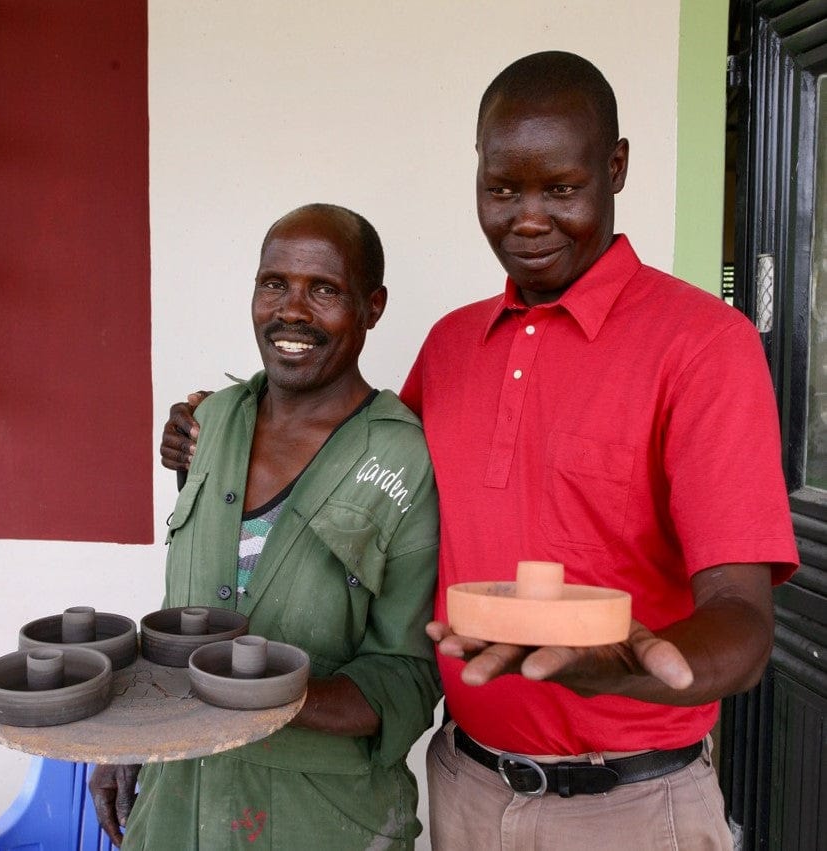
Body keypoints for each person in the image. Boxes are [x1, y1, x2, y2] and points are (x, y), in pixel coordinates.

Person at [162, 53, 798, 850]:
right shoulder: (454, 345)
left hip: (629, 807)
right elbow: (350, 471)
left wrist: (623, 664)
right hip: (462, 787)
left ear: (617, 167)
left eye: (560, 188)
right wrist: (208, 437)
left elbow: (742, 617)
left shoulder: (704, 345)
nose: (528, 218)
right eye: (502, 189)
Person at [93, 203, 441, 850]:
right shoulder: (211, 419)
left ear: (373, 305)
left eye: (325, 290)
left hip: (316, 821)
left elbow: (409, 678)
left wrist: (258, 692)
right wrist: (132, 731)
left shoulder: (406, 459)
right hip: (175, 813)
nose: (293, 311)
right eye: (274, 283)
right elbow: (187, 607)